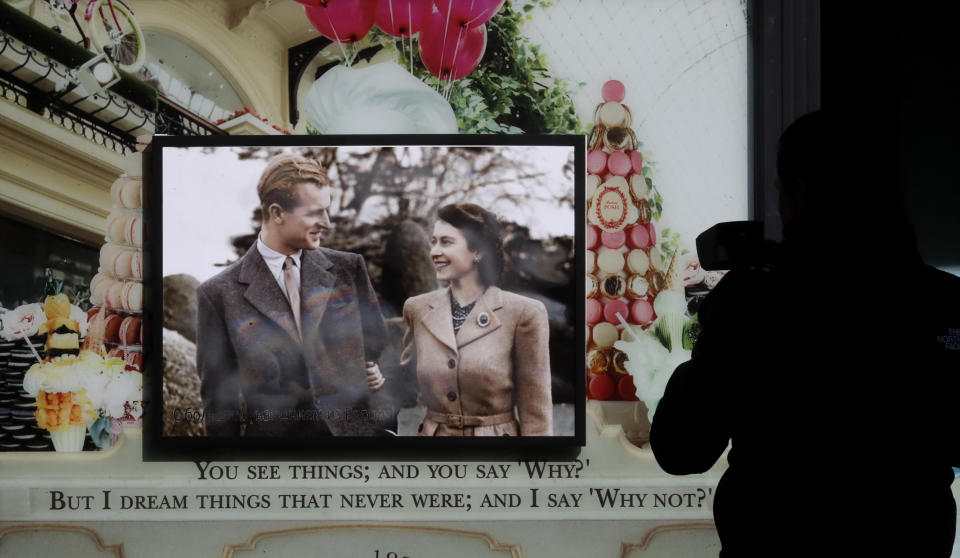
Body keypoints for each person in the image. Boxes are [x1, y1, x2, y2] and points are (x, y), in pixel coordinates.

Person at [650, 111, 960, 556]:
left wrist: (719, 331)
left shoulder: (753, 300)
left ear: (799, 191)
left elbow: (682, 448)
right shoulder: (944, 302)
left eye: (782, 190)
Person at [196, 154, 388, 437]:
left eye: (327, 210)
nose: (327, 222)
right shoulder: (217, 294)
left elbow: (378, 346)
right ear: (276, 213)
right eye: (314, 213)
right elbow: (219, 407)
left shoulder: (349, 268)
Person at [400, 203, 553, 436]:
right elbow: (401, 383)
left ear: (478, 251)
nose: (434, 251)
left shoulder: (524, 313)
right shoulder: (417, 308)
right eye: (434, 242)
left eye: (446, 242)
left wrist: (535, 464)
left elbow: (536, 412)